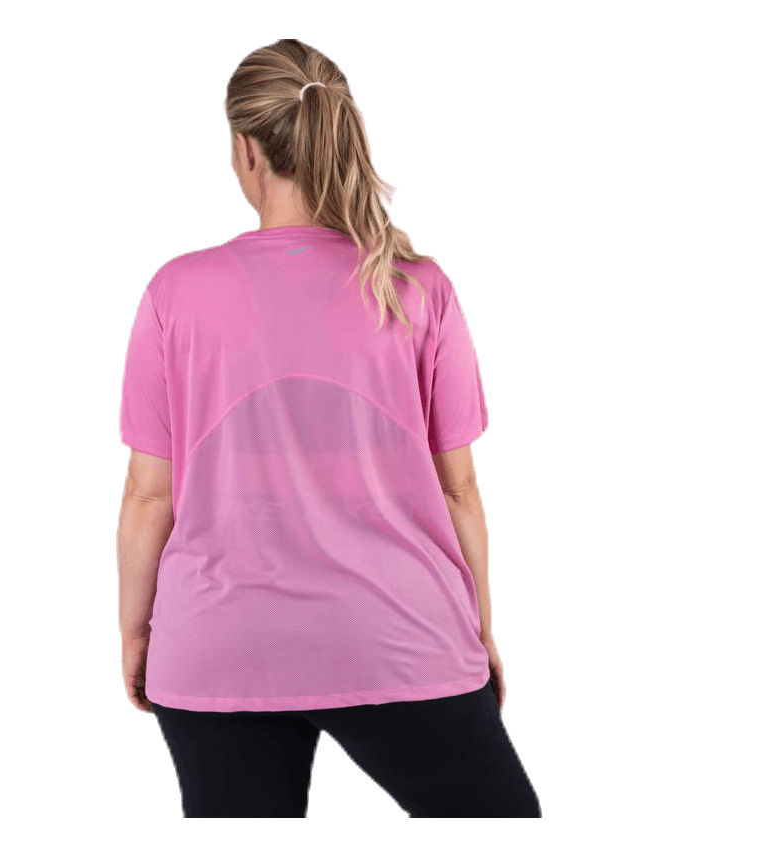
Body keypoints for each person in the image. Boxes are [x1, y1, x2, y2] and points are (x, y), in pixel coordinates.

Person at [116, 38, 541, 818]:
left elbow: (148, 495)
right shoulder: (417, 284)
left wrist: (135, 632)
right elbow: (460, 489)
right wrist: (479, 628)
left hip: (217, 643)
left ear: (246, 148)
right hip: (399, 634)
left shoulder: (176, 289)